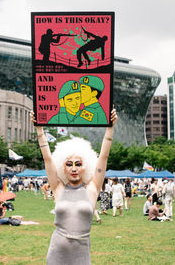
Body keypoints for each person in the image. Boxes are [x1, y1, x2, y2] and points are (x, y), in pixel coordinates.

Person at [32, 107, 117, 265]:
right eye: (69, 164)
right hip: (56, 254)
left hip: (81, 256)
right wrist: (39, 129)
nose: (73, 168)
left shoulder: (92, 188)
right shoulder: (58, 188)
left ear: (86, 166)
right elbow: (48, 159)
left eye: (78, 164)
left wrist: (110, 129)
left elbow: (104, 157)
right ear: (62, 168)